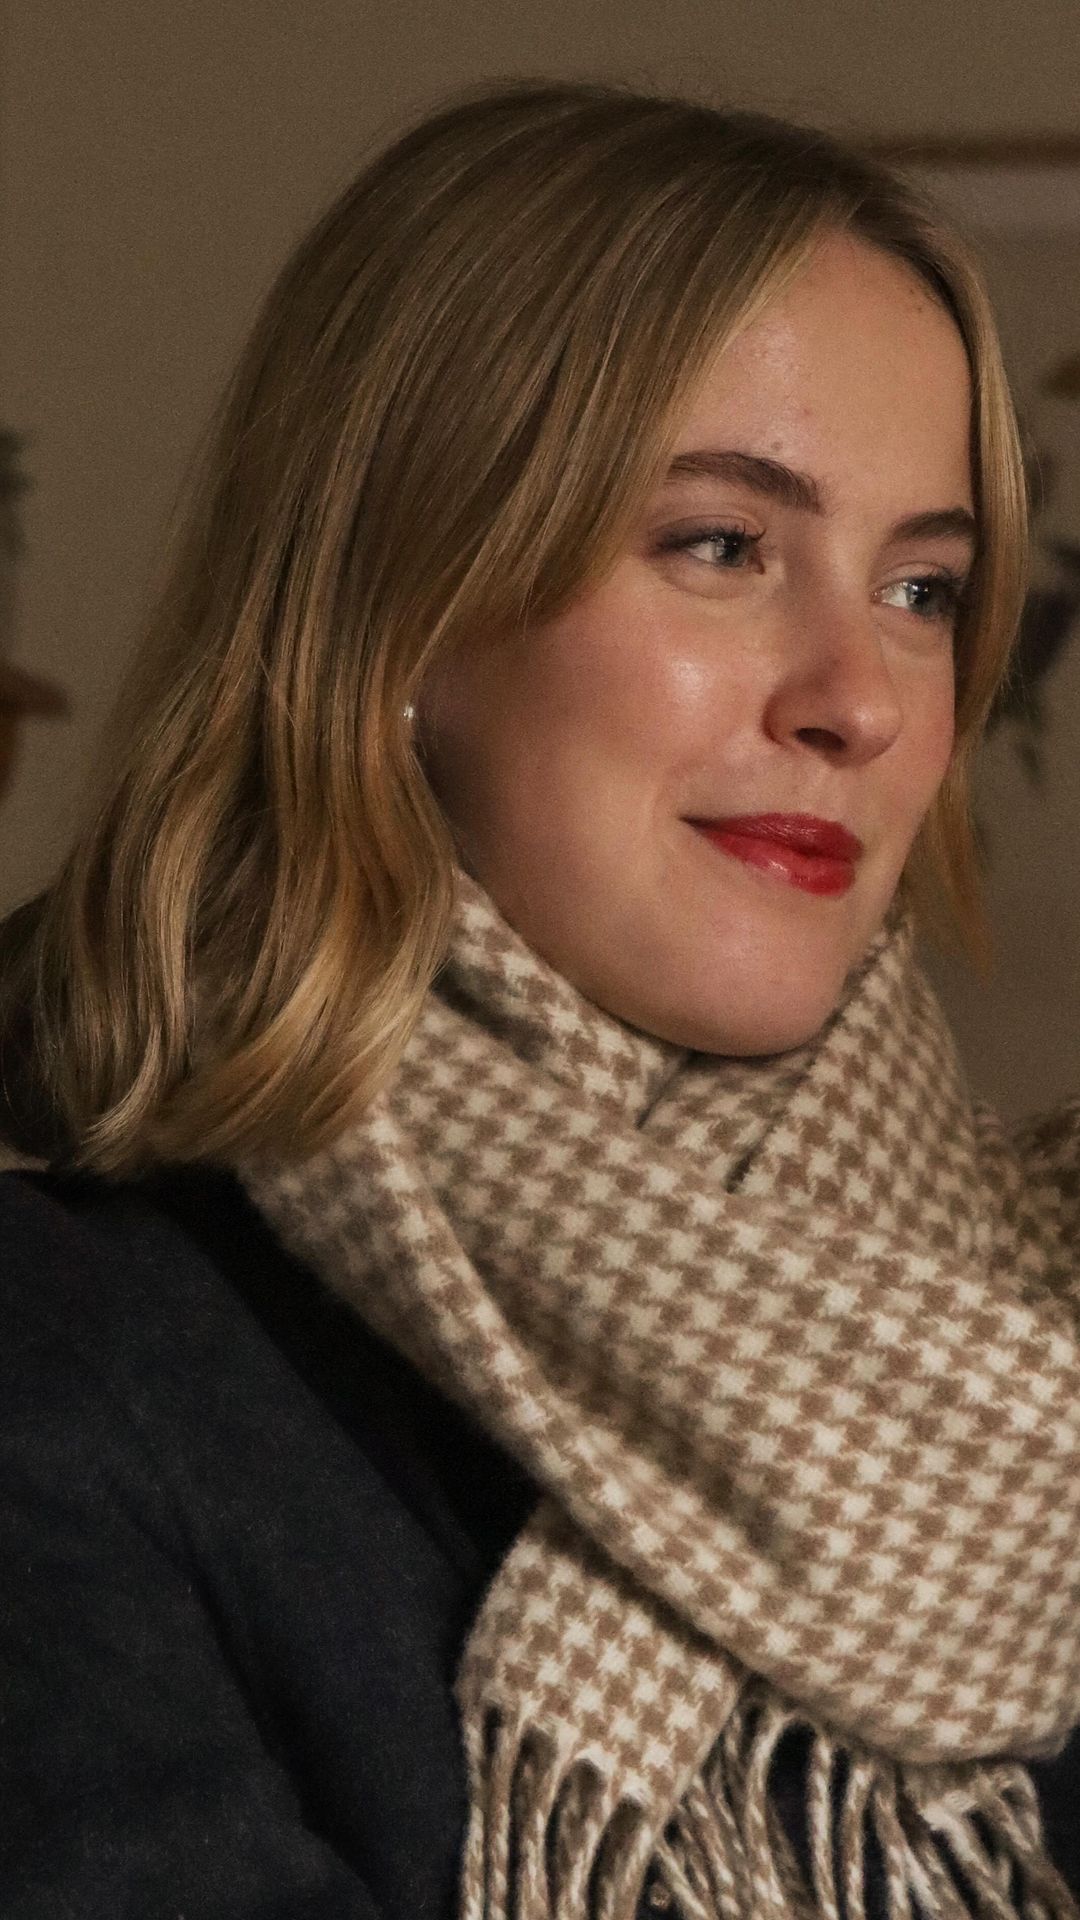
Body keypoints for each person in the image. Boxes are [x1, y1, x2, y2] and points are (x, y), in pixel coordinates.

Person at [1, 76, 1078, 1920]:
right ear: (403, 606)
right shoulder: (73, 1364)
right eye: (722, 547)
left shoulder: (1036, 1311)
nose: (863, 698)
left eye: (922, 586)